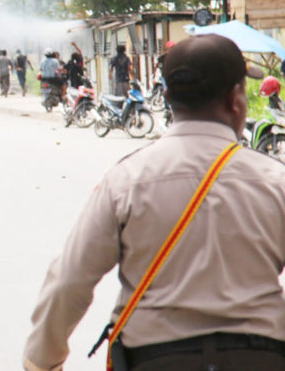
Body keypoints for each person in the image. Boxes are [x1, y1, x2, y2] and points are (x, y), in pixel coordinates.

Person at [23, 34, 283, 371]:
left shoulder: (126, 180)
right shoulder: (274, 180)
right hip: (260, 357)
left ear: (170, 100)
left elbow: (71, 277)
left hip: (155, 359)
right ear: (236, 100)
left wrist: (43, 361)